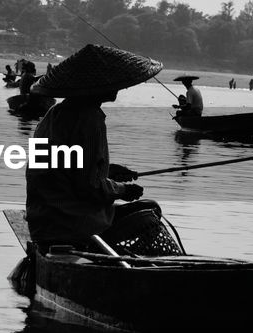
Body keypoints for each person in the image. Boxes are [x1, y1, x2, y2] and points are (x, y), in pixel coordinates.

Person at [25, 44, 157, 249]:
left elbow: (69, 169)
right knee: (150, 210)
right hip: (70, 225)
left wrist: (108, 171)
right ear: (98, 86)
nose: (119, 86)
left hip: (43, 220)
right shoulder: (89, 119)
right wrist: (122, 190)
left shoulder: (55, 113)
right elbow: (89, 187)